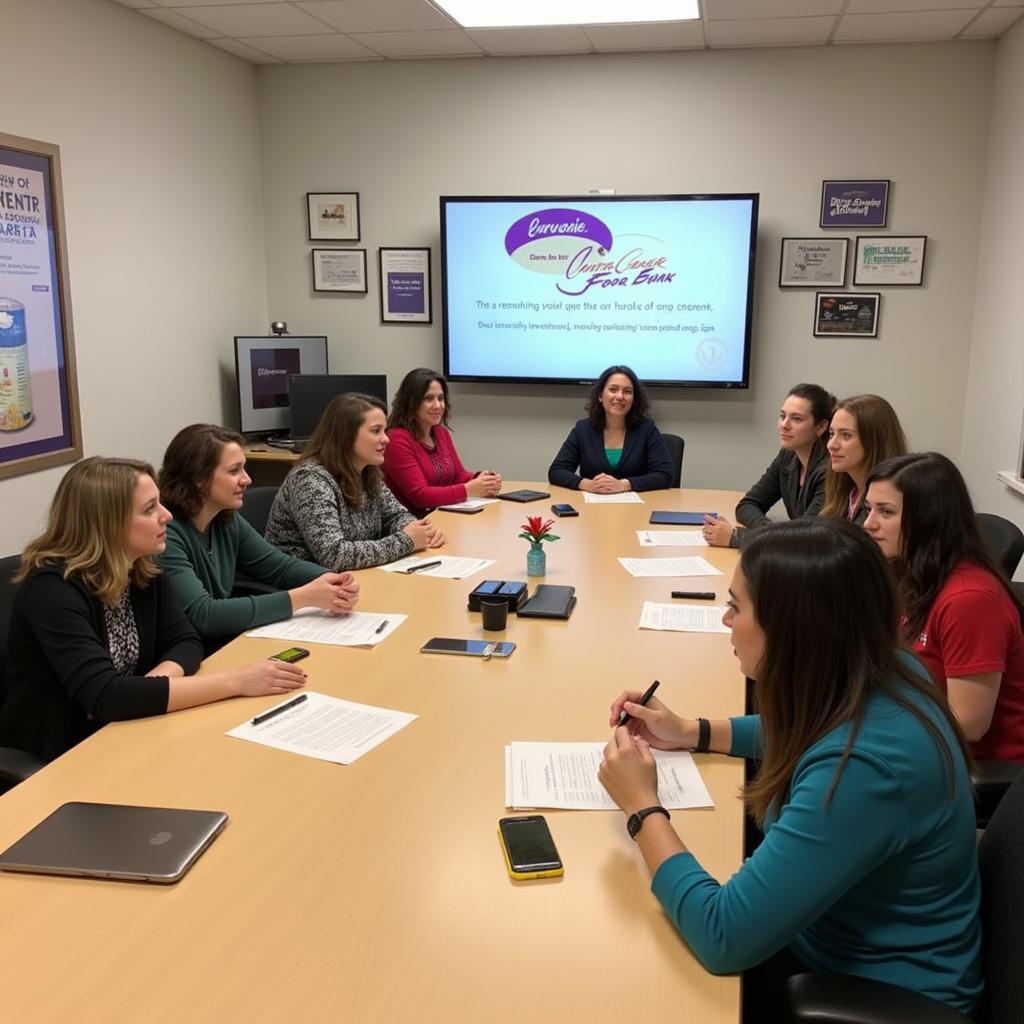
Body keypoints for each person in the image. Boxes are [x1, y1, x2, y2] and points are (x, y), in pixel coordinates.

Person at [598, 518, 980, 1016]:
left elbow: (723, 936)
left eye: (736, 607)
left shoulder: (866, 770)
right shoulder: (881, 666)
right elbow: (807, 726)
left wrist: (642, 807)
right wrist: (693, 730)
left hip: (864, 992)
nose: (725, 622)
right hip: (822, 937)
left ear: (793, 626)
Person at [1, 457, 310, 762]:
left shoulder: (141, 568)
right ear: (107, 523)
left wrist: (150, 687)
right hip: (64, 756)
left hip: (133, 729)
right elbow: (106, 696)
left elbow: (186, 642)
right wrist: (236, 682)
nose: (166, 516)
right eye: (150, 509)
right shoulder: (53, 589)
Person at [864, 452, 1024, 762]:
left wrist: (871, 724)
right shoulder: (908, 573)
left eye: (885, 512)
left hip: (971, 764)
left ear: (928, 519)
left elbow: (968, 724)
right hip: (917, 735)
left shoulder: (971, 600)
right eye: (869, 509)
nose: (869, 523)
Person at [158, 424, 358, 651]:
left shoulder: (226, 519)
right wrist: (303, 597)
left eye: (244, 469)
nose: (247, 480)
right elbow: (204, 616)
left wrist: (333, 580)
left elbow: (279, 567)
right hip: (190, 657)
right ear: (198, 478)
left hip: (223, 645)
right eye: (234, 471)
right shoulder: (165, 533)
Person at [266, 393, 445, 571]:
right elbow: (334, 556)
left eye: (384, 430)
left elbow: (395, 516)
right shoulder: (310, 480)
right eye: (376, 431)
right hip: (304, 586)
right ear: (346, 436)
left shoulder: (366, 471)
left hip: (351, 578)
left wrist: (418, 530)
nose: (386, 439)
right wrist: (407, 540)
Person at [703, 383, 834, 547]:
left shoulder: (830, 471)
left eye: (796, 419)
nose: (784, 425)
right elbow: (747, 505)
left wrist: (736, 537)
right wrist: (768, 531)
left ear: (821, 427)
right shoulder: (788, 455)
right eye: (782, 416)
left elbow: (804, 540)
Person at [382, 368, 502, 517]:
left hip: (443, 515)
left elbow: (458, 475)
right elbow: (421, 496)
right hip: (413, 524)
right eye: (428, 399)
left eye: (441, 398)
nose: (438, 405)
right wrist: (468, 489)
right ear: (411, 402)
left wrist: (481, 479)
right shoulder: (396, 439)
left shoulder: (440, 433)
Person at [548, 365, 673, 493]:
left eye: (627, 391)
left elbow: (665, 475)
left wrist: (623, 485)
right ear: (600, 396)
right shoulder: (583, 429)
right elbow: (556, 471)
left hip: (637, 508)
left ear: (634, 399)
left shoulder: (646, 429)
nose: (620, 396)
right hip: (591, 507)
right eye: (613, 389)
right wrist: (587, 484)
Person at [820, 394, 907, 525]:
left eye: (846, 435)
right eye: (832, 434)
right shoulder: (845, 494)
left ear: (874, 441)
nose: (831, 445)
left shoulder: (897, 497)